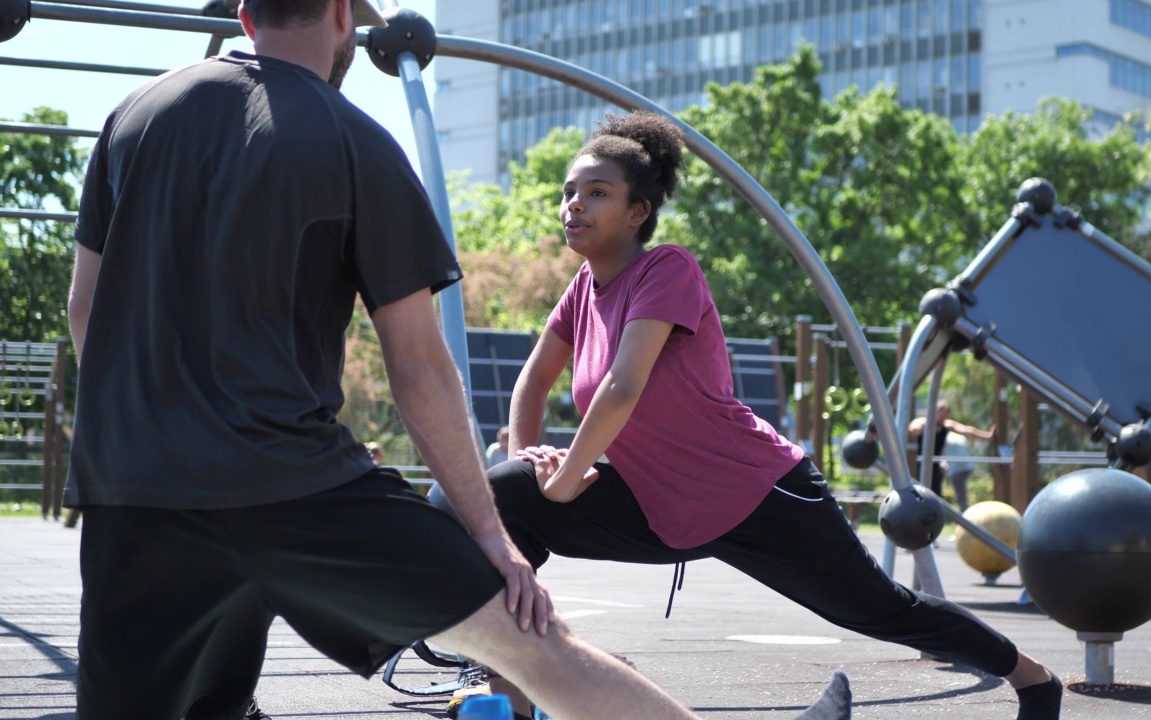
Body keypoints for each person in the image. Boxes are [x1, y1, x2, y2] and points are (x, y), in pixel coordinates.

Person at [62, 1, 852, 719]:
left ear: (243, 16)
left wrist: (136, 440)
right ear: (342, 15)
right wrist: (491, 533)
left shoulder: (135, 116)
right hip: (294, 487)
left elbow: (85, 309)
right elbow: (419, 365)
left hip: (137, 498)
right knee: (530, 643)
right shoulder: (352, 139)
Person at [478, 112, 1062, 719]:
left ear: (637, 212)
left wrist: (567, 476)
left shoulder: (665, 269)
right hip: (658, 504)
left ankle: (1033, 680)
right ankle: (512, 701)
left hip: (754, 490)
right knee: (504, 500)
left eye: (597, 193)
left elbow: (624, 386)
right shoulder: (582, 289)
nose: (574, 204)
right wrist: (529, 460)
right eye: (569, 192)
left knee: (877, 609)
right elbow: (534, 380)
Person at [908, 401, 994, 500]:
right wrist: (919, 429)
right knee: (918, 490)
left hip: (935, 464)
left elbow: (967, 430)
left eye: (945, 415)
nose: (943, 418)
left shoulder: (946, 425)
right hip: (920, 463)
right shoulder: (923, 423)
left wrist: (987, 436)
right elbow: (913, 428)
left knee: (935, 491)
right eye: (941, 414)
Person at [942, 434, 975, 513]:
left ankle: (964, 515)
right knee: (961, 495)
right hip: (967, 466)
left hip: (956, 469)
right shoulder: (959, 436)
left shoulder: (944, 437)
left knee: (961, 497)